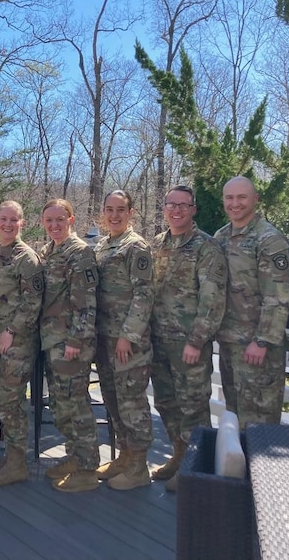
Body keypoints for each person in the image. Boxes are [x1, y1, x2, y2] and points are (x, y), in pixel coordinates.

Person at [150, 185, 226, 491]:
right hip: (159, 341)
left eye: (183, 205)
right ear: (164, 208)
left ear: (193, 210)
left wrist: (197, 340)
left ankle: (196, 469)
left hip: (188, 345)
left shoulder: (206, 248)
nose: (177, 210)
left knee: (193, 406)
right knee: (167, 403)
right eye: (171, 204)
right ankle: (179, 456)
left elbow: (213, 300)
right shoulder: (157, 244)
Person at [214, 177, 289, 428]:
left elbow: (278, 295)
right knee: (234, 418)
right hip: (229, 343)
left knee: (260, 424)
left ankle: (259, 470)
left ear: (255, 199)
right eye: (229, 198)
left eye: (241, 197)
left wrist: (263, 340)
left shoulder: (268, 239)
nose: (235, 203)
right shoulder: (221, 236)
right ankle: (237, 469)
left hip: (257, 349)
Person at [93, 190, 155, 491]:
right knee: (113, 400)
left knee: (132, 402)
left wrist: (128, 336)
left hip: (127, 343)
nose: (114, 215)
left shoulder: (136, 247)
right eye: (109, 210)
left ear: (131, 213)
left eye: (120, 210)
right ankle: (124, 456)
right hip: (104, 338)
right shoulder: (104, 245)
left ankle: (139, 466)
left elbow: (144, 295)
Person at [39, 199, 100, 493]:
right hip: (53, 341)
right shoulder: (49, 251)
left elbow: (86, 304)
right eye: (49, 220)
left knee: (77, 406)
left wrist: (76, 340)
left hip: (71, 342)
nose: (54, 225)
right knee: (61, 405)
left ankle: (88, 468)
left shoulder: (80, 254)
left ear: (71, 219)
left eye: (59, 220)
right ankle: (74, 457)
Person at [0, 201, 44, 487]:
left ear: (22, 223)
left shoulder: (25, 258)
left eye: (14, 220)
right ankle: (12, 455)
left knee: (12, 401)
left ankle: (18, 463)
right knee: (4, 400)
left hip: (17, 340)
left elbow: (33, 302)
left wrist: (10, 330)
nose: (7, 224)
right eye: (3, 219)